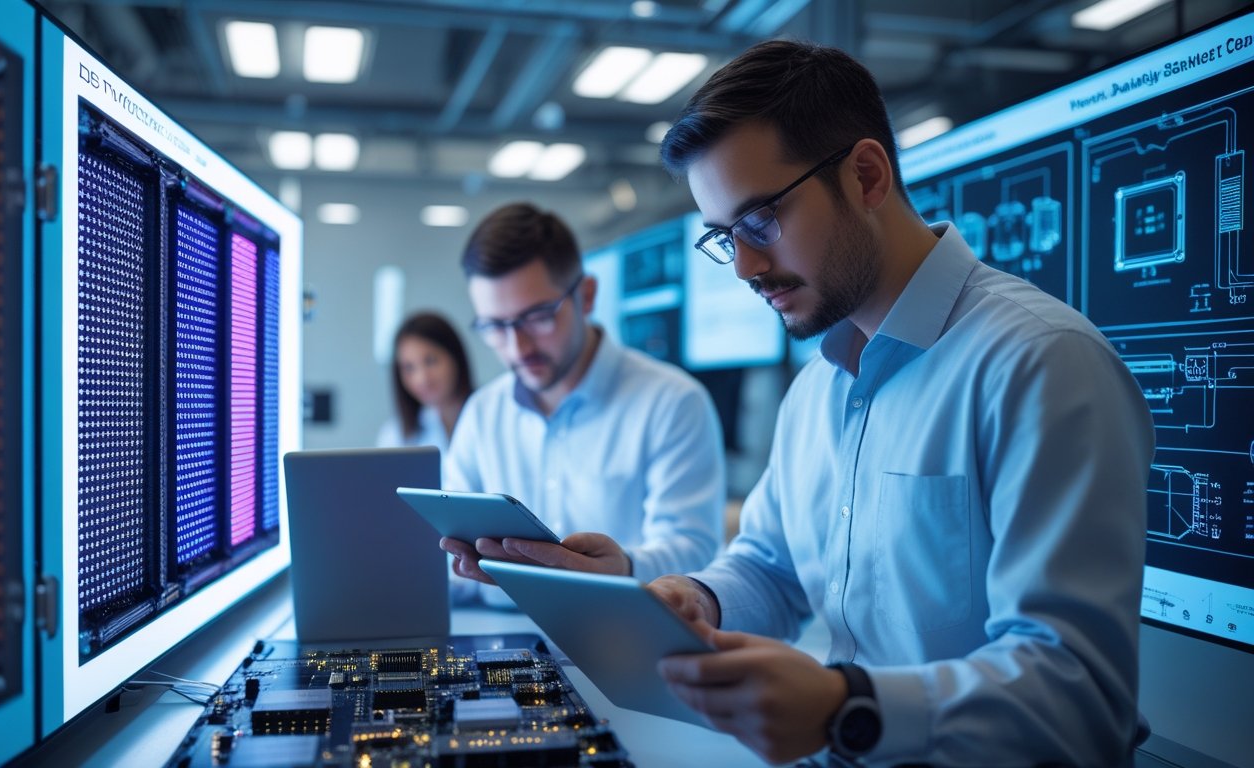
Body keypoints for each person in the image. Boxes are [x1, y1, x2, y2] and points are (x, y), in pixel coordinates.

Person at [616, 40, 1155, 766]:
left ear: (866, 175)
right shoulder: (816, 388)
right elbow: (771, 567)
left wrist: (850, 706)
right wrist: (697, 599)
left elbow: (1081, 693)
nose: (744, 266)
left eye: (760, 221)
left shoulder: (1041, 363)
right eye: (724, 237)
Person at [439, 202, 726, 602]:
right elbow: (452, 557)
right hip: (501, 635)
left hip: (626, 634)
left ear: (586, 295)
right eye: (495, 326)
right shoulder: (483, 413)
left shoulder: (672, 402)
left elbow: (694, 552)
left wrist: (622, 568)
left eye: (537, 316)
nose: (517, 346)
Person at [375, 311, 474, 456]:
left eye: (431, 361)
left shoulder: (487, 415)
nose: (422, 379)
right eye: (409, 367)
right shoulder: (394, 436)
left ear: (455, 357)